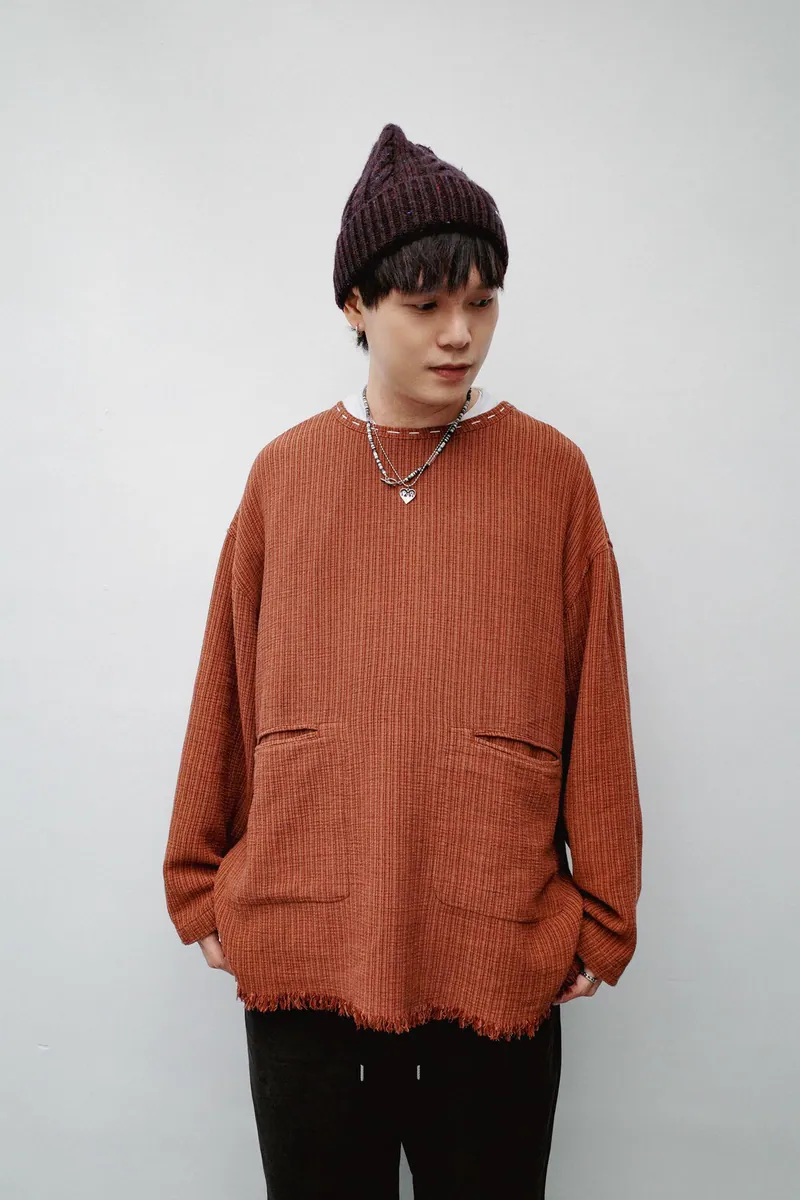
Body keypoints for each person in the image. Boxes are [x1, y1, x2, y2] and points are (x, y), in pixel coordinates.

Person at [162, 122, 643, 1198]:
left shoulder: (551, 478)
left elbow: (596, 702)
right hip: (306, 957)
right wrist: (199, 883)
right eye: (425, 306)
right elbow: (225, 684)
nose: (459, 335)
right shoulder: (285, 477)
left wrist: (603, 915)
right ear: (355, 305)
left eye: (481, 303)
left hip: (493, 951)